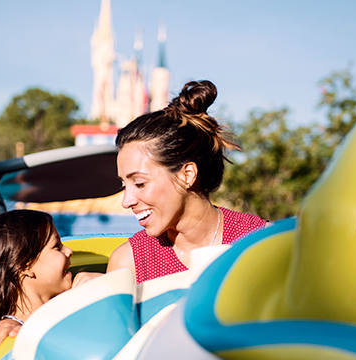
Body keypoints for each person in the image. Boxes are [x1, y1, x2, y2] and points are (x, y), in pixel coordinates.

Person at [107, 80, 268, 283]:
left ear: (187, 174)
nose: (126, 201)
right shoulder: (128, 263)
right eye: (124, 185)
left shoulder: (259, 242)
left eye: (139, 183)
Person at [0, 210, 99, 349]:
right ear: (24, 266)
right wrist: (10, 326)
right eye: (56, 247)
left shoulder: (72, 300)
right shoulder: (14, 328)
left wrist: (105, 284)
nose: (69, 251)